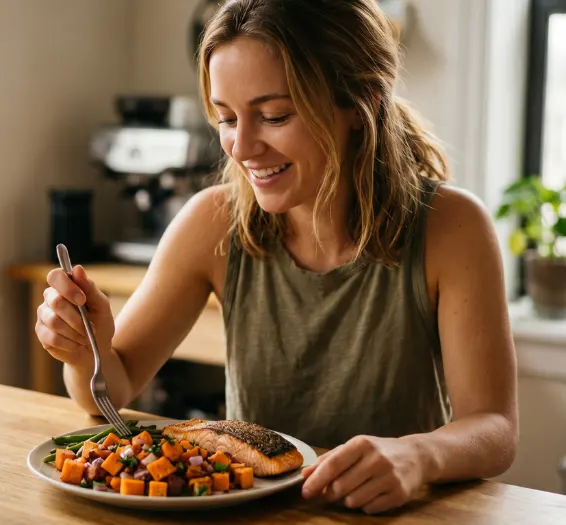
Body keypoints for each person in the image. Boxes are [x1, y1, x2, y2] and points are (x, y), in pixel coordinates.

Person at [35, 0, 517, 514]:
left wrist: (417, 454)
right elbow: (109, 391)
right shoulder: (211, 222)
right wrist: (84, 348)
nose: (241, 147)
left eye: (273, 116)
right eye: (225, 118)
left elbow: (495, 429)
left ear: (361, 103)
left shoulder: (453, 227)